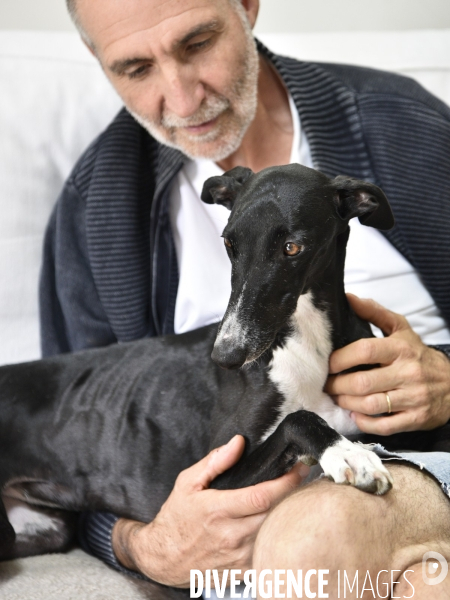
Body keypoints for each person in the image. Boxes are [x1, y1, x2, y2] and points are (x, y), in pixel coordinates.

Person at [40, 0, 450, 595]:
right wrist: (136, 544)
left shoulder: (403, 126)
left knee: (312, 541)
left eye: (198, 43)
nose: (181, 100)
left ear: (247, 7)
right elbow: (70, 446)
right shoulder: (97, 205)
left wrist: (445, 378)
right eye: (135, 68)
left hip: (414, 462)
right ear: (96, 59)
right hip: (260, 492)